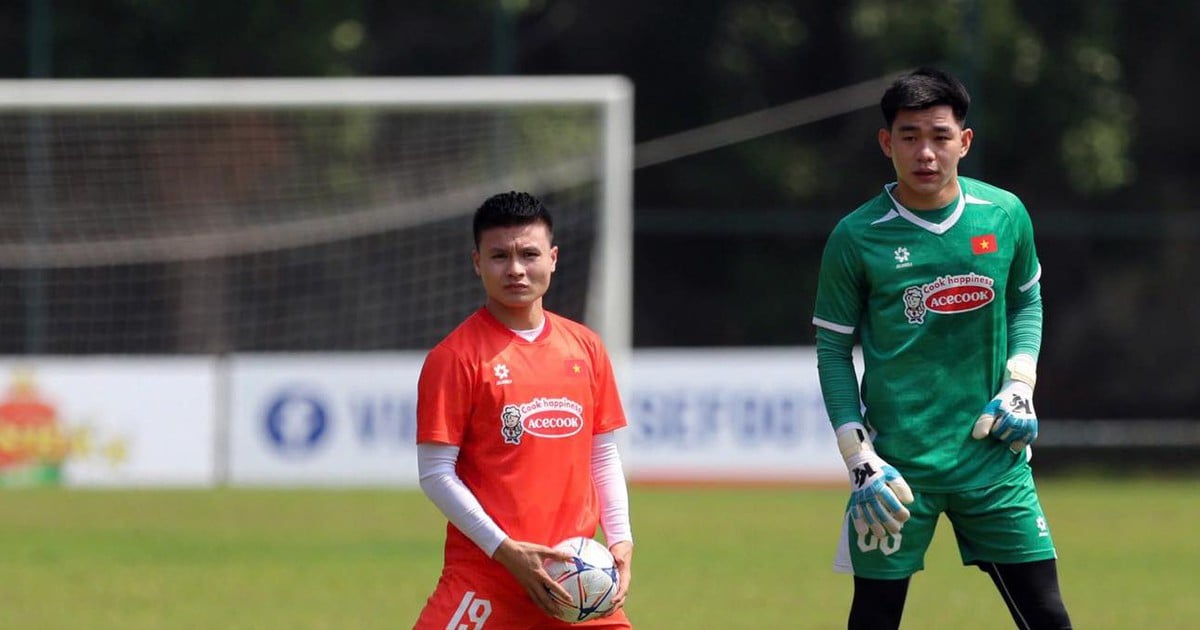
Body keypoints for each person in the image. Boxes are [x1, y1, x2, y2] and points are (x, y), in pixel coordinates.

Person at [812, 67, 1072, 629]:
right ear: (887, 143)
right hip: (896, 473)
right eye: (909, 136)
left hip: (994, 459)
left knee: (1048, 615)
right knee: (875, 618)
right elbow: (832, 351)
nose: (925, 152)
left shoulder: (1004, 215)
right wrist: (859, 460)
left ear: (965, 141)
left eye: (939, 135)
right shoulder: (856, 236)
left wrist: (1020, 385)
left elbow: (1027, 301)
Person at [413, 191, 634, 629]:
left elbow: (602, 456)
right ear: (477, 262)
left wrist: (621, 540)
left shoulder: (585, 348)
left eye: (528, 254)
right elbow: (436, 473)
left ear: (552, 258)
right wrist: (505, 550)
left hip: (573, 580)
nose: (515, 268)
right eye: (499, 256)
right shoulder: (455, 357)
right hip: (488, 576)